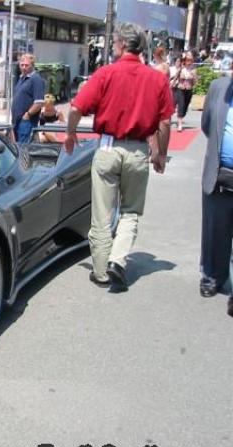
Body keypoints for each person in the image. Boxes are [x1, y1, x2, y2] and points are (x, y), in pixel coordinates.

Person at [64, 22, 174, 292]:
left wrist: (70, 133)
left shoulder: (106, 74)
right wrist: (160, 154)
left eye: (113, 43)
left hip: (108, 147)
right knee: (131, 211)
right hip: (138, 149)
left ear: (123, 45)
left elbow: (77, 107)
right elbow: (165, 123)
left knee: (102, 213)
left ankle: (101, 271)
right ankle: (118, 260)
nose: (112, 47)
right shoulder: (157, 78)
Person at [199, 69, 233, 311]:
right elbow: (207, 125)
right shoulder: (218, 88)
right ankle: (213, 277)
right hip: (220, 173)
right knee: (215, 231)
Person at [11, 53, 45, 144]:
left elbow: (39, 102)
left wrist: (27, 115)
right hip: (17, 121)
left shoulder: (36, 79)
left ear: (32, 65)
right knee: (18, 147)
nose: (24, 67)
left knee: (24, 148)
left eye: (27, 65)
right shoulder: (21, 78)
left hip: (27, 122)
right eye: (22, 65)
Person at [175, 52, 198, 132]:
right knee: (181, 105)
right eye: (187, 60)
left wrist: (193, 77)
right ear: (185, 60)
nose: (189, 61)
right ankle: (180, 124)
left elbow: (196, 82)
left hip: (189, 89)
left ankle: (181, 116)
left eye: (190, 60)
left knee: (185, 107)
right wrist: (180, 75)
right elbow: (176, 77)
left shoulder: (193, 69)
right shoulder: (181, 67)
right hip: (181, 88)